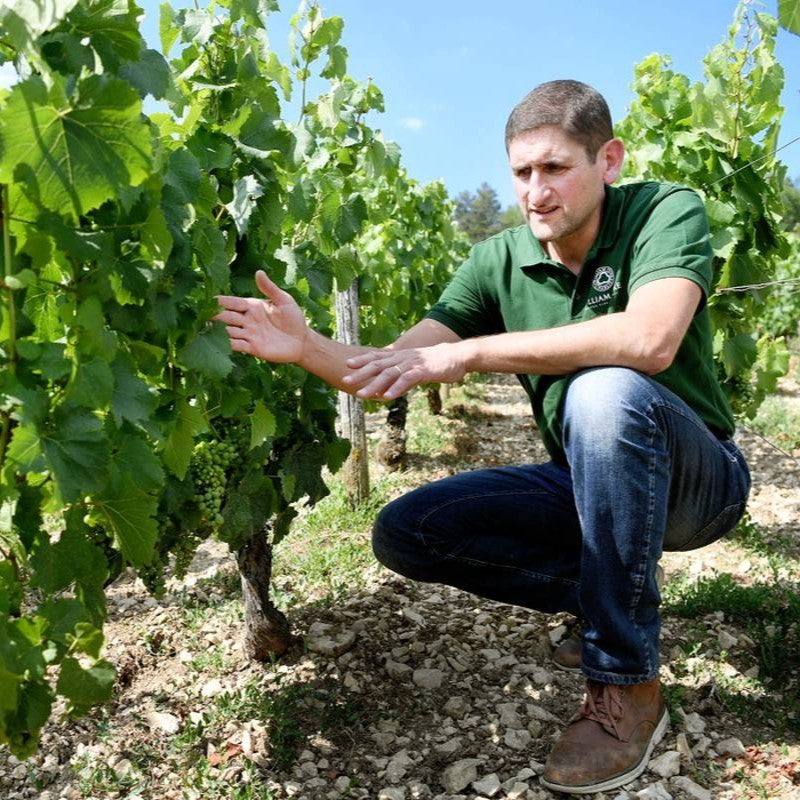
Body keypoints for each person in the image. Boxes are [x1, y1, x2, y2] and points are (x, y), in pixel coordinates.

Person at [215, 79, 751, 795]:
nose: (536, 191)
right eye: (523, 173)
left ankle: (627, 683)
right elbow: (393, 364)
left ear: (609, 160)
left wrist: (469, 353)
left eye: (556, 168)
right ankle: (612, 592)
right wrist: (308, 345)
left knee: (604, 389)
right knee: (410, 530)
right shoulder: (497, 259)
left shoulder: (663, 210)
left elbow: (650, 341)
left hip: (698, 482)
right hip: (588, 483)